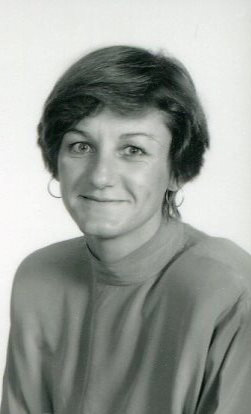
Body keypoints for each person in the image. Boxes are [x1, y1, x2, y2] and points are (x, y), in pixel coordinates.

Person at [1, 45, 251, 414]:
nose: (100, 176)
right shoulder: (38, 277)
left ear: (177, 170)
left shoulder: (229, 289)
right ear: (56, 160)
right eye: (80, 145)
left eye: (133, 150)